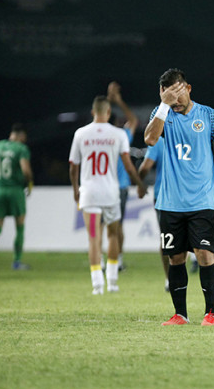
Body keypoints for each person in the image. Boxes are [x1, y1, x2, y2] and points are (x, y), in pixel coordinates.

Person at [144, 68, 214, 326]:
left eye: (177, 93)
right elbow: (150, 139)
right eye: (168, 95)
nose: (174, 100)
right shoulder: (162, 114)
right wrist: (164, 106)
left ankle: (211, 313)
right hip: (170, 202)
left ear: (188, 88)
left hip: (201, 201)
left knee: (205, 254)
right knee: (175, 258)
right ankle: (180, 314)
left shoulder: (209, 115)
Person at [68, 95, 146, 294]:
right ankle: (112, 281)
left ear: (93, 112)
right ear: (109, 112)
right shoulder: (118, 134)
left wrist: (76, 190)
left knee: (94, 237)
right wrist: (140, 184)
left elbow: (73, 166)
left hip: (89, 193)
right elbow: (128, 165)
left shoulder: (81, 134)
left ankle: (97, 285)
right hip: (111, 193)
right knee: (113, 234)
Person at [0, 124, 34, 270]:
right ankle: (16, 262)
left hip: (0, 190)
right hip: (16, 190)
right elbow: (26, 170)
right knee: (20, 227)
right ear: (21, 135)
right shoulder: (21, 149)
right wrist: (29, 183)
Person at [107, 82, 138, 271]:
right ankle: (117, 260)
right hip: (121, 187)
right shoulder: (121, 135)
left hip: (103, 186)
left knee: (105, 225)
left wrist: (109, 100)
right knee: (117, 225)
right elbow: (133, 120)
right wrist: (118, 101)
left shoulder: (98, 136)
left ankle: (104, 260)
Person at [137, 140, 173, 290]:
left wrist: (140, 184)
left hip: (163, 196)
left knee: (166, 238)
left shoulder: (159, 140)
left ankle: (169, 279)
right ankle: (178, 276)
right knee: (184, 238)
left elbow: (145, 166)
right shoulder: (190, 133)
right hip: (187, 195)